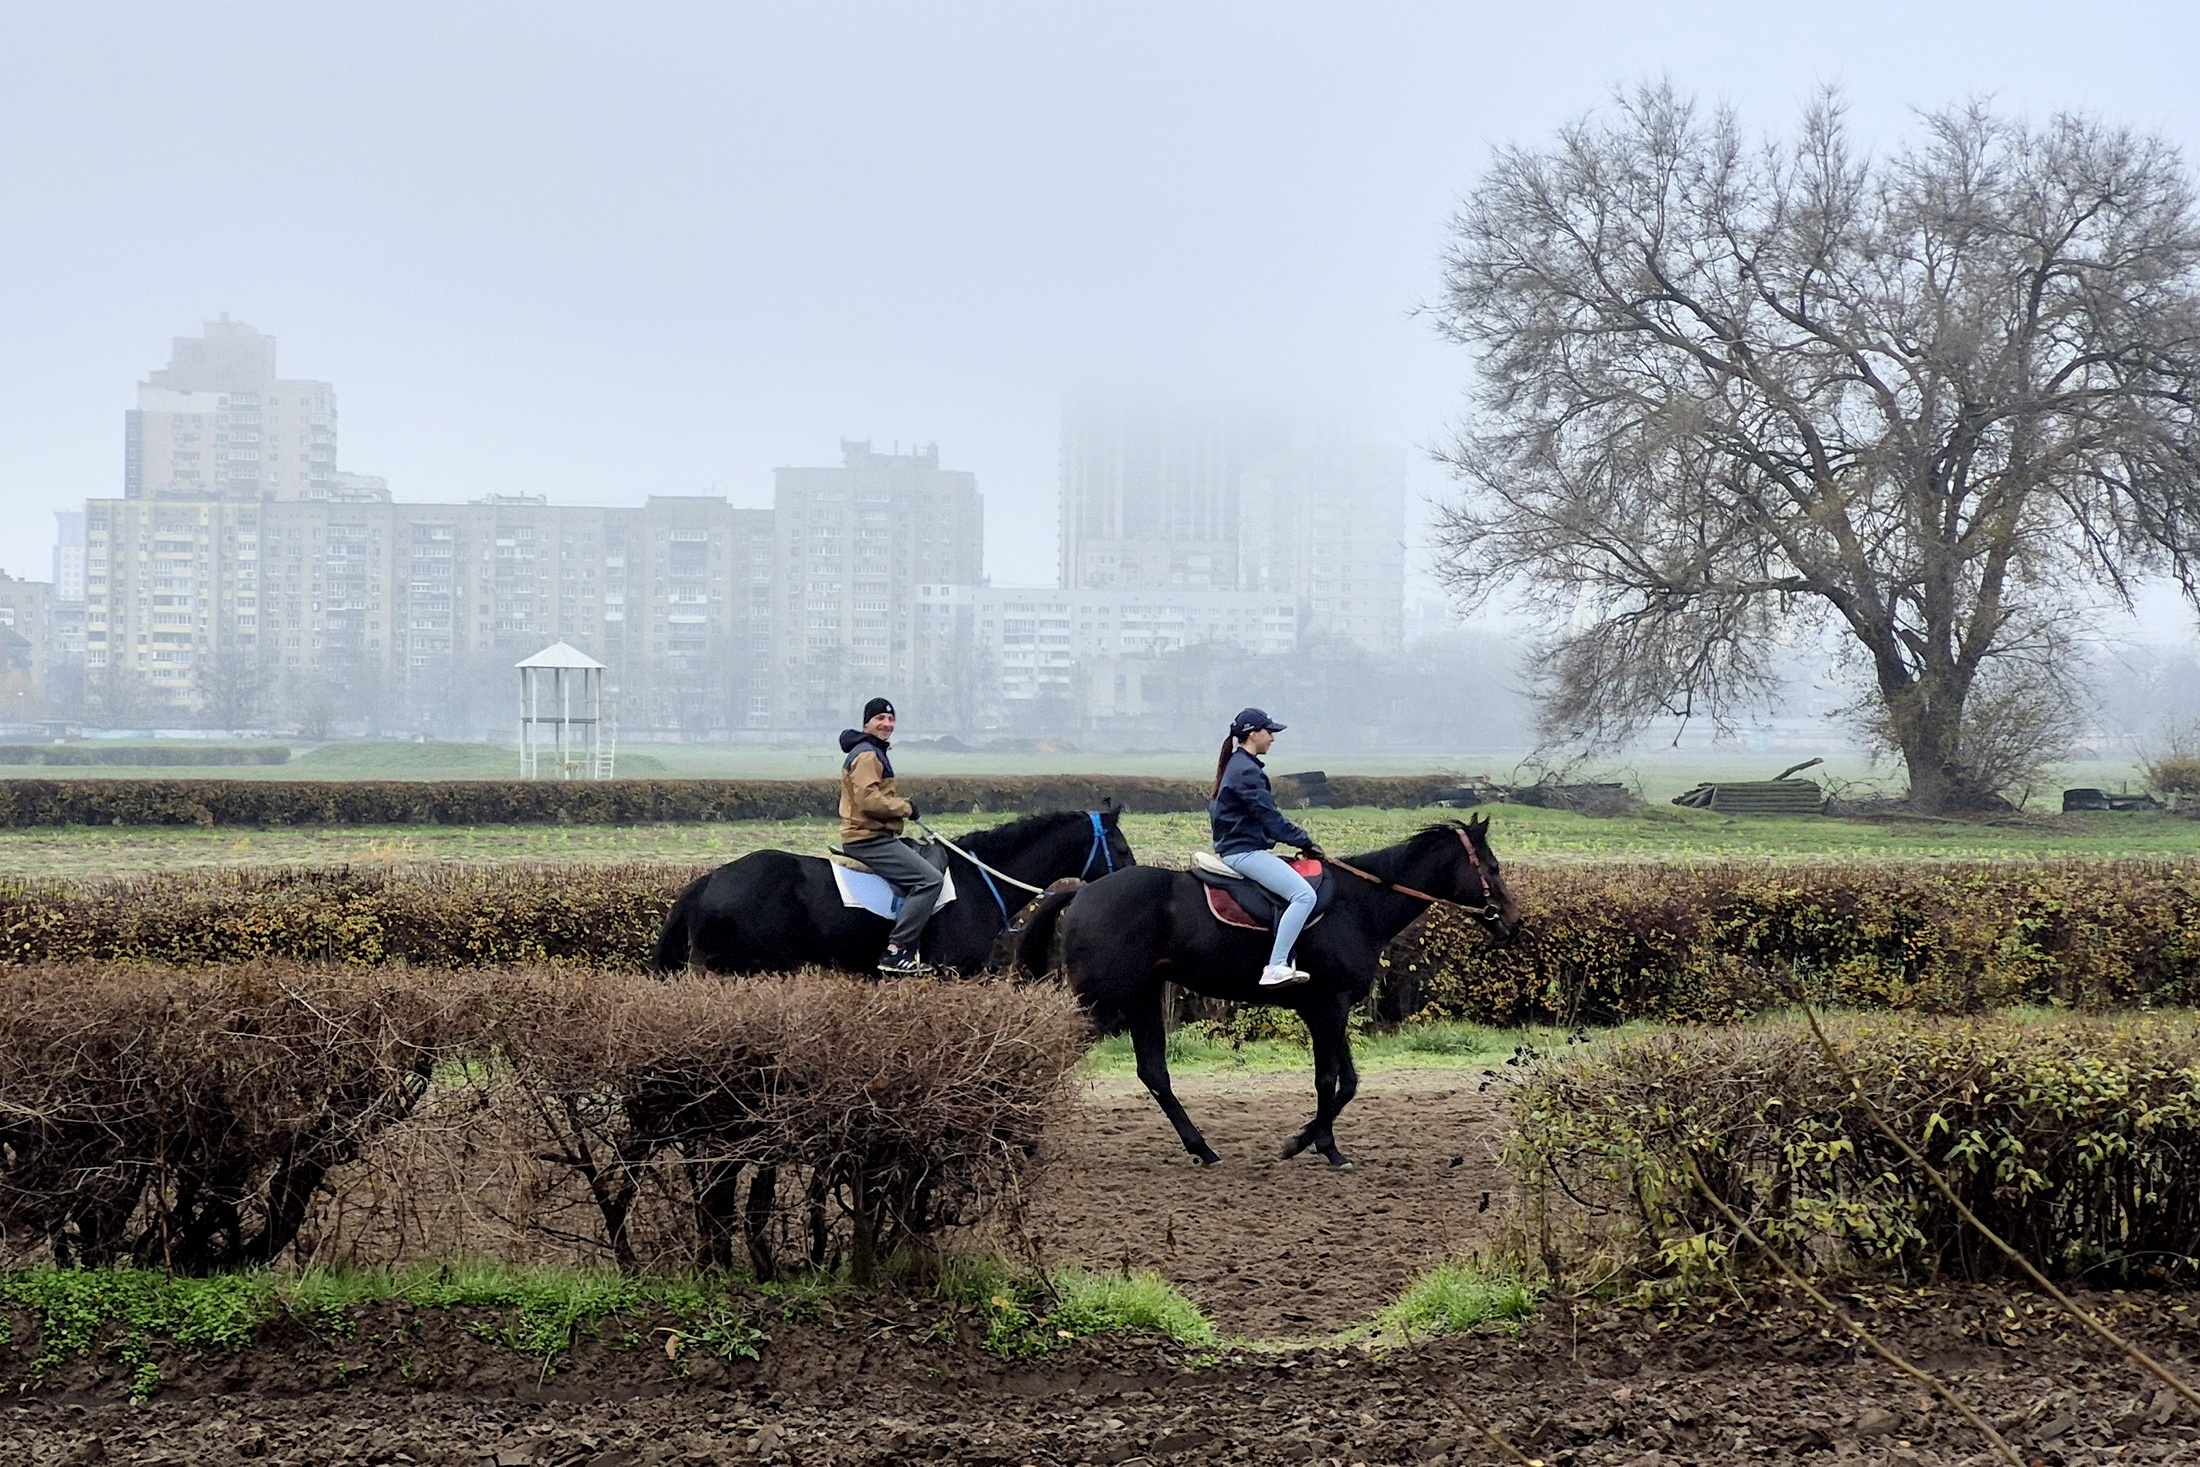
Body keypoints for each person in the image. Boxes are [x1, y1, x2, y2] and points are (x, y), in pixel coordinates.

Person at [1209, 707, 1325, 987]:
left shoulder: (1238, 764)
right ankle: (1275, 966)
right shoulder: (1246, 771)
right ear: (1252, 734)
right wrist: (1306, 842)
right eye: (1269, 732)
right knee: (1304, 896)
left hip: (1241, 848)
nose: (1272, 738)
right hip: (1243, 853)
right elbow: (1271, 819)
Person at [838, 696, 945, 975]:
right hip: (868, 840)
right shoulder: (867, 754)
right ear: (867, 723)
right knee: (930, 880)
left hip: (877, 836)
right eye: (880, 719)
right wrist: (905, 807)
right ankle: (897, 951)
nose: (886, 724)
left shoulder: (873, 751)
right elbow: (868, 801)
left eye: (891, 719)